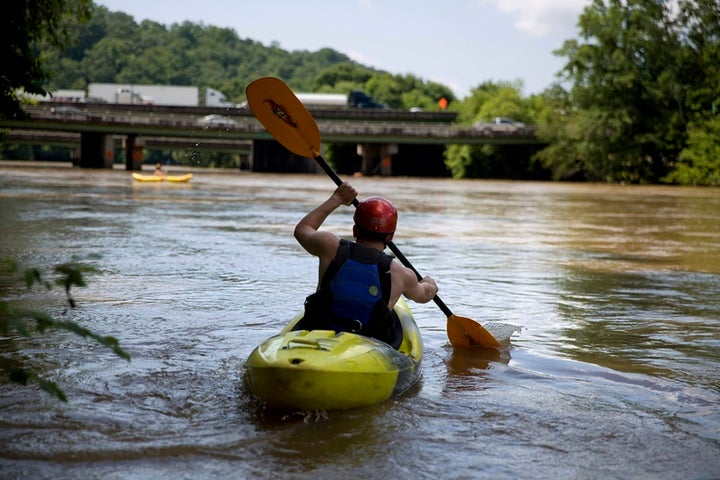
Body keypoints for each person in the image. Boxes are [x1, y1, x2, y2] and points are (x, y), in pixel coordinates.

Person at [293, 181, 438, 348]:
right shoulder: (401, 274)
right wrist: (430, 284)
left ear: (355, 231)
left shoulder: (329, 246)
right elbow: (424, 295)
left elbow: (302, 229)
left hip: (318, 333)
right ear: (390, 237)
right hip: (365, 346)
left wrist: (337, 198)